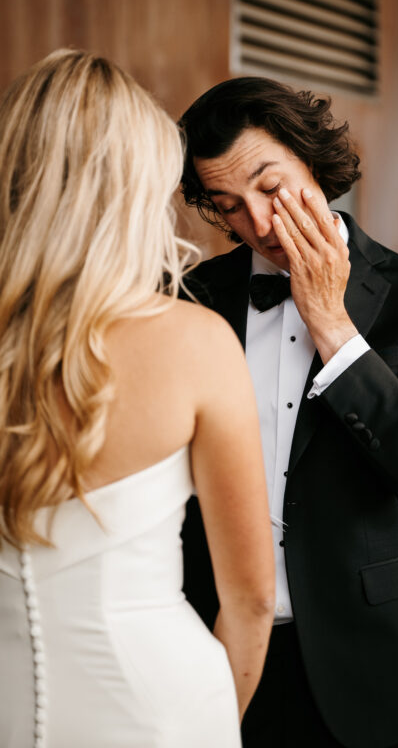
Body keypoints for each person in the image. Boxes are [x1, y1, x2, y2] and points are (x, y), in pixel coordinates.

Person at [179, 76, 398, 748]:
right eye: (228, 205)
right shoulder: (190, 299)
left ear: (311, 158)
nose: (257, 225)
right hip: (211, 643)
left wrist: (333, 329)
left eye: (270, 188)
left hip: (366, 655)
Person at [0, 51, 274, 748]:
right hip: (161, 713)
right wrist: (208, 722)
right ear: (131, 192)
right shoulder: (196, 343)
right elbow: (249, 601)